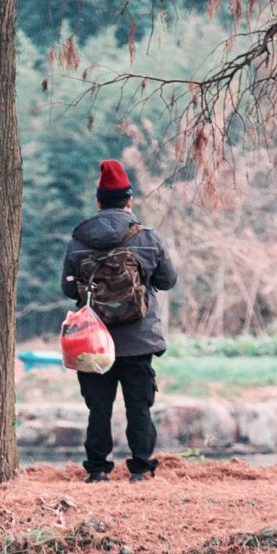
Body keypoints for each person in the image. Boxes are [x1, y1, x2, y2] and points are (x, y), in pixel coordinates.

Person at [60, 157, 178, 481]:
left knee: (99, 407)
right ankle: (141, 468)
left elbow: (67, 288)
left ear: (98, 202)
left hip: (93, 341)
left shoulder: (79, 241)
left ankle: (97, 470)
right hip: (139, 340)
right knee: (138, 406)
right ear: (129, 200)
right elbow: (168, 281)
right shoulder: (147, 238)